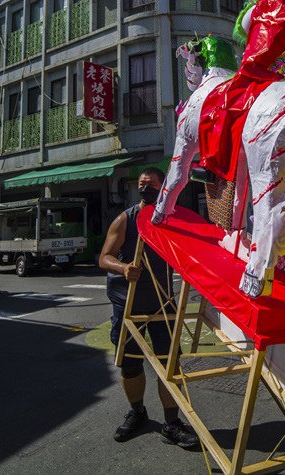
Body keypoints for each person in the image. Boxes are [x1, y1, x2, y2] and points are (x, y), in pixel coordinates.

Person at [98, 167, 198, 449]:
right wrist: (124, 267)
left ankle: (171, 423)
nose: (146, 188)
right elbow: (104, 257)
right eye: (142, 184)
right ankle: (138, 412)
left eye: (152, 184)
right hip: (127, 306)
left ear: (163, 187)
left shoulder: (170, 220)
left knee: (169, 365)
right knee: (130, 365)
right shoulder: (125, 219)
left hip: (163, 304)